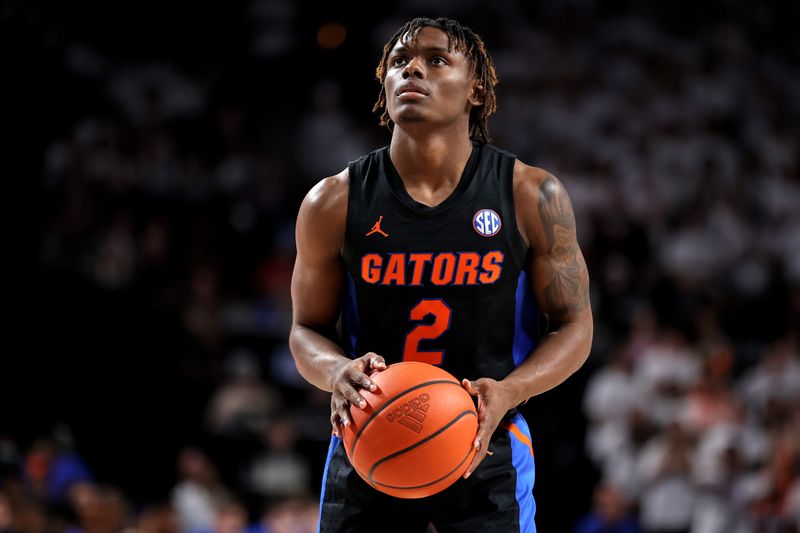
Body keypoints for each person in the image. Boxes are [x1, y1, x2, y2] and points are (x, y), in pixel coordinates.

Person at [289, 16, 593, 533]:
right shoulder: (332, 201)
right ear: (383, 86)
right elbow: (305, 330)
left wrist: (511, 390)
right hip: (371, 436)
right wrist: (335, 372)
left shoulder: (530, 194)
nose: (412, 70)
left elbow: (576, 325)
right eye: (399, 62)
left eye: (435, 60)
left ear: (475, 89)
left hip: (485, 440)